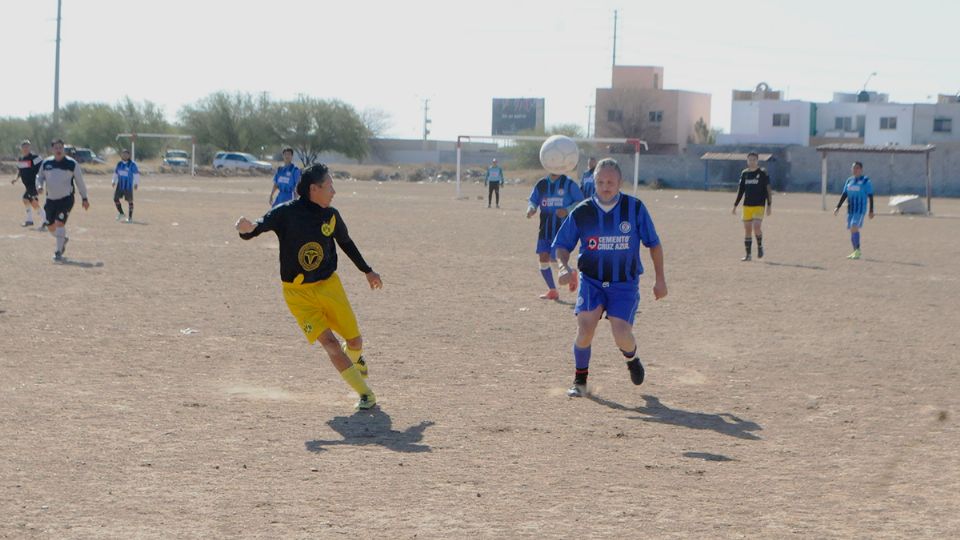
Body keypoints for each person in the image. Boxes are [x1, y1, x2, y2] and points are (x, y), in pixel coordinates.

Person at [235, 163, 383, 410]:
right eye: (330, 186)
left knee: (355, 342)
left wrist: (367, 270)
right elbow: (256, 228)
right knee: (331, 344)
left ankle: (356, 359)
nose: (334, 191)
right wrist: (246, 230)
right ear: (314, 189)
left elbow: (346, 243)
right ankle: (365, 394)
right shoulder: (285, 213)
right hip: (298, 294)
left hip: (329, 287)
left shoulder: (331, 215)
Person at [553, 158, 667, 397]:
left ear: (620, 183)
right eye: (601, 181)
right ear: (593, 182)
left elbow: (654, 244)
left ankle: (632, 358)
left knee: (622, 334)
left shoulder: (634, 208)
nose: (606, 186)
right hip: (591, 281)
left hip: (623, 283)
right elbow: (562, 246)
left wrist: (660, 279)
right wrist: (564, 268)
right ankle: (580, 381)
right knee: (585, 327)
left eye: (611, 182)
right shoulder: (582, 212)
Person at [526, 169, 583, 300]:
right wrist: (531, 209)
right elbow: (533, 200)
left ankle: (570, 273)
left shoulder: (568, 183)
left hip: (561, 229)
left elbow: (580, 202)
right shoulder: (541, 184)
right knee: (543, 258)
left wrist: (567, 210)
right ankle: (552, 290)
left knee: (554, 258)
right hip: (544, 227)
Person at [35, 139, 89, 262]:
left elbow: (80, 182)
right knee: (50, 226)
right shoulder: (46, 163)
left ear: (63, 149)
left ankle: (58, 251)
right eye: (56, 148)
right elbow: (40, 177)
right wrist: (39, 186)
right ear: (52, 149)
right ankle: (63, 239)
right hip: (51, 199)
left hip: (66, 199)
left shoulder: (71, 163)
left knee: (60, 223)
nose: (58, 150)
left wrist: (84, 198)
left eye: (61, 147)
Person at [731, 152, 772, 261]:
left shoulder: (763, 173)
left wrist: (769, 205)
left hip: (759, 205)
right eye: (750, 160)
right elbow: (741, 191)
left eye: (754, 159)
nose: (752, 161)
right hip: (747, 206)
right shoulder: (744, 173)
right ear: (747, 161)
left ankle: (759, 246)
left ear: (757, 161)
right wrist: (735, 205)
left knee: (756, 226)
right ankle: (748, 255)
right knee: (747, 229)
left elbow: (768, 190)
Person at [833, 161, 874, 259]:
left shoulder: (865, 181)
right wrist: (838, 207)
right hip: (850, 209)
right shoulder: (849, 181)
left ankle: (858, 251)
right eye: (853, 168)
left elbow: (870, 196)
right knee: (852, 229)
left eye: (857, 168)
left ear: (861, 169)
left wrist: (871, 210)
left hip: (860, 210)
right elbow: (844, 194)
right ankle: (855, 250)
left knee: (854, 226)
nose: (855, 170)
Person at [10, 140, 44, 228]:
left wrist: (40, 182)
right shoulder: (21, 159)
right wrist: (15, 179)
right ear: (21, 148)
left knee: (31, 200)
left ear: (30, 148)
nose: (26, 148)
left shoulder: (35, 158)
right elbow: (20, 171)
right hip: (28, 185)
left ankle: (45, 220)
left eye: (27, 146)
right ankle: (30, 220)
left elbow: (43, 168)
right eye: (24, 147)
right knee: (27, 200)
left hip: (35, 184)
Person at [112, 149, 140, 222]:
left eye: (126, 154)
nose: (124, 155)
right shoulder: (119, 164)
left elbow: (136, 174)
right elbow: (115, 173)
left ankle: (130, 218)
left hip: (128, 186)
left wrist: (136, 183)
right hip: (120, 185)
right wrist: (113, 181)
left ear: (129, 155)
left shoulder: (132, 164)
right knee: (115, 198)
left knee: (130, 201)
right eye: (123, 154)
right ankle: (121, 213)